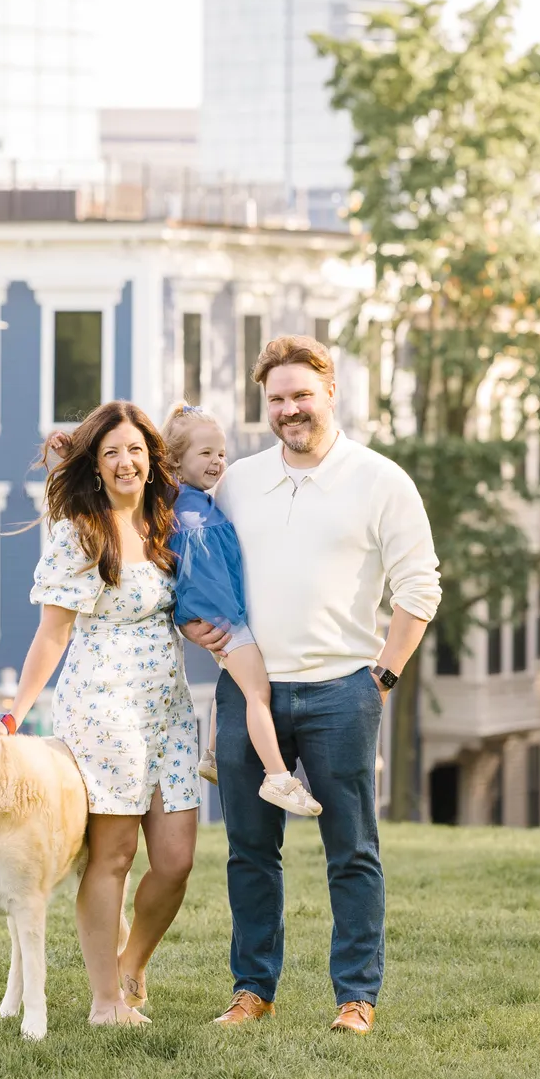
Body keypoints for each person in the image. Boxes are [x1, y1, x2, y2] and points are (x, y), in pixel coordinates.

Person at [185, 334, 440, 1036]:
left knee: (352, 851)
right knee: (248, 851)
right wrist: (201, 628)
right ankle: (252, 991)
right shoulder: (238, 482)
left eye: (301, 394)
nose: (289, 409)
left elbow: (420, 587)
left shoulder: (380, 480)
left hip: (342, 690)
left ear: (330, 391)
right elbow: (200, 563)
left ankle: (355, 997)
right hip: (249, 693)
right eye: (276, 399)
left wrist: (383, 675)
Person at [6, 400, 200, 1026]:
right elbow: (52, 634)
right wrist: (16, 712)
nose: (124, 462)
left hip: (169, 710)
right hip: (103, 709)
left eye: (135, 449)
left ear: (151, 458)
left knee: (176, 860)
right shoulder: (80, 533)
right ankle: (105, 1000)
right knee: (113, 857)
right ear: (96, 464)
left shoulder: (168, 520)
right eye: (111, 452)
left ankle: (130, 962)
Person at [160, 403, 321, 817]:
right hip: (223, 620)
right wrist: (221, 620)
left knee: (232, 678)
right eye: (205, 453)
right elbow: (199, 573)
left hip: (217, 618)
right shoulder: (190, 514)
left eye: (221, 453)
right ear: (175, 461)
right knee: (257, 692)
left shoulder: (192, 502)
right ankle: (278, 777)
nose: (217, 462)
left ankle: (212, 756)